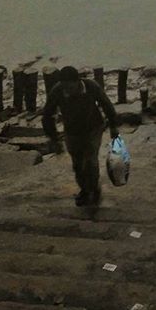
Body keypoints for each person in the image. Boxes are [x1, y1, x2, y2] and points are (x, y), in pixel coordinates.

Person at [41, 66, 119, 207]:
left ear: (78, 81)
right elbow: (47, 115)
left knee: (90, 161)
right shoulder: (57, 91)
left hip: (93, 128)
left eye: (70, 87)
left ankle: (94, 189)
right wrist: (54, 138)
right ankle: (84, 189)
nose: (68, 91)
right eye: (65, 87)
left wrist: (113, 126)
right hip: (72, 131)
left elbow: (107, 105)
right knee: (77, 164)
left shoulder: (91, 86)